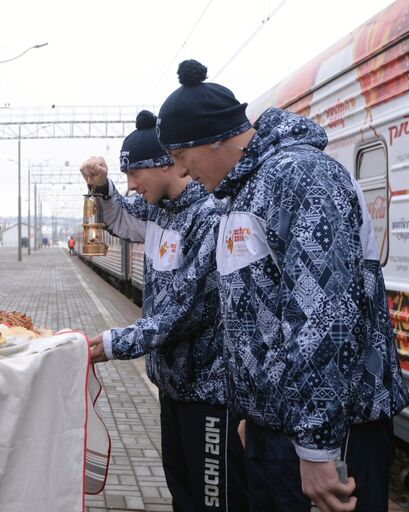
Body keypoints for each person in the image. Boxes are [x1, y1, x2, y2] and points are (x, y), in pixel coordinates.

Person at [157, 59, 409, 512]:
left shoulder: (301, 176)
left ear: (213, 138)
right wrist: (251, 413)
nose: (181, 171)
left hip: (330, 432)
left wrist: (317, 448)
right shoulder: (245, 191)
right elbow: (255, 317)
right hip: (274, 429)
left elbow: (324, 317)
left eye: (180, 156)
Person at [81, 110, 248, 511]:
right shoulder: (160, 213)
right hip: (174, 385)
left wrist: (111, 343)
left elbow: (183, 310)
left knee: (214, 499)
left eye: (135, 175)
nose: (132, 186)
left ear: (165, 164)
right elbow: (117, 218)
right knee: (183, 495)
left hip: (210, 392)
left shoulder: (207, 217)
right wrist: (101, 187)